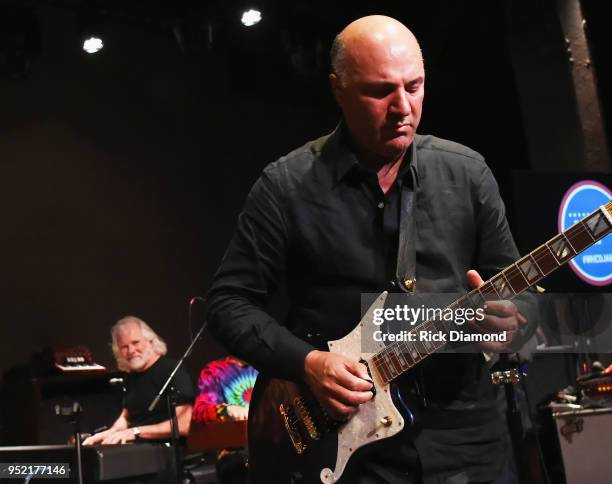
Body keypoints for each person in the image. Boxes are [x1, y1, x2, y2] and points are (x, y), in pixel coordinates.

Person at [207, 15, 531, 484]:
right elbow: (228, 304)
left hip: (467, 443)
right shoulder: (285, 185)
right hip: (352, 455)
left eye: (415, 86)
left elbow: (520, 303)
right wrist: (309, 363)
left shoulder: (468, 173)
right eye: (381, 91)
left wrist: (510, 322)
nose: (403, 107)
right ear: (338, 89)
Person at [83, 316, 196, 445]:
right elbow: (126, 418)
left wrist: (135, 432)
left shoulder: (172, 370)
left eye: (136, 343)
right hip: (139, 450)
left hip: (167, 452)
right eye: (124, 347)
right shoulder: (132, 378)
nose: (131, 350)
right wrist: (109, 433)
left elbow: (184, 425)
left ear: (151, 341)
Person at [192, 356, 257, 423]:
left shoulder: (261, 371)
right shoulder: (216, 370)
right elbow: (200, 412)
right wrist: (226, 410)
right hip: (229, 431)